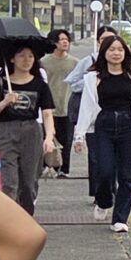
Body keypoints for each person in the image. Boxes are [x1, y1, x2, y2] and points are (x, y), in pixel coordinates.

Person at [84, 30, 131, 235]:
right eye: (112, 49)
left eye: (120, 49)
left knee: (126, 175)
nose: (116, 53)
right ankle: (104, 200)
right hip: (103, 125)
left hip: (128, 126)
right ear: (104, 52)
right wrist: (80, 134)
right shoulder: (94, 78)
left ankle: (120, 219)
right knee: (104, 171)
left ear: (126, 53)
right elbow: (87, 107)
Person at [0, 42, 58, 215]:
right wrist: (5, 102)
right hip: (6, 132)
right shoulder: (1, 83)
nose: (26, 59)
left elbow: (47, 114)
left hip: (31, 132)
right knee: (8, 182)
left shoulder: (40, 85)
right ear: (12, 59)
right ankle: (10, 220)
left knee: (29, 182)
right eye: (21, 55)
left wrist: (49, 137)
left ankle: (26, 216)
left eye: (30, 56)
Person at [46, 28, 79, 178]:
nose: (65, 42)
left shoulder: (74, 63)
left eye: (67, 39)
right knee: (49, 138)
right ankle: (48, 166)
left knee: (67, 139)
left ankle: (64, 169)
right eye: (61, 39)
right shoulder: (44, 62)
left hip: (67, 106)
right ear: (53, 42)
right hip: (49, 107)